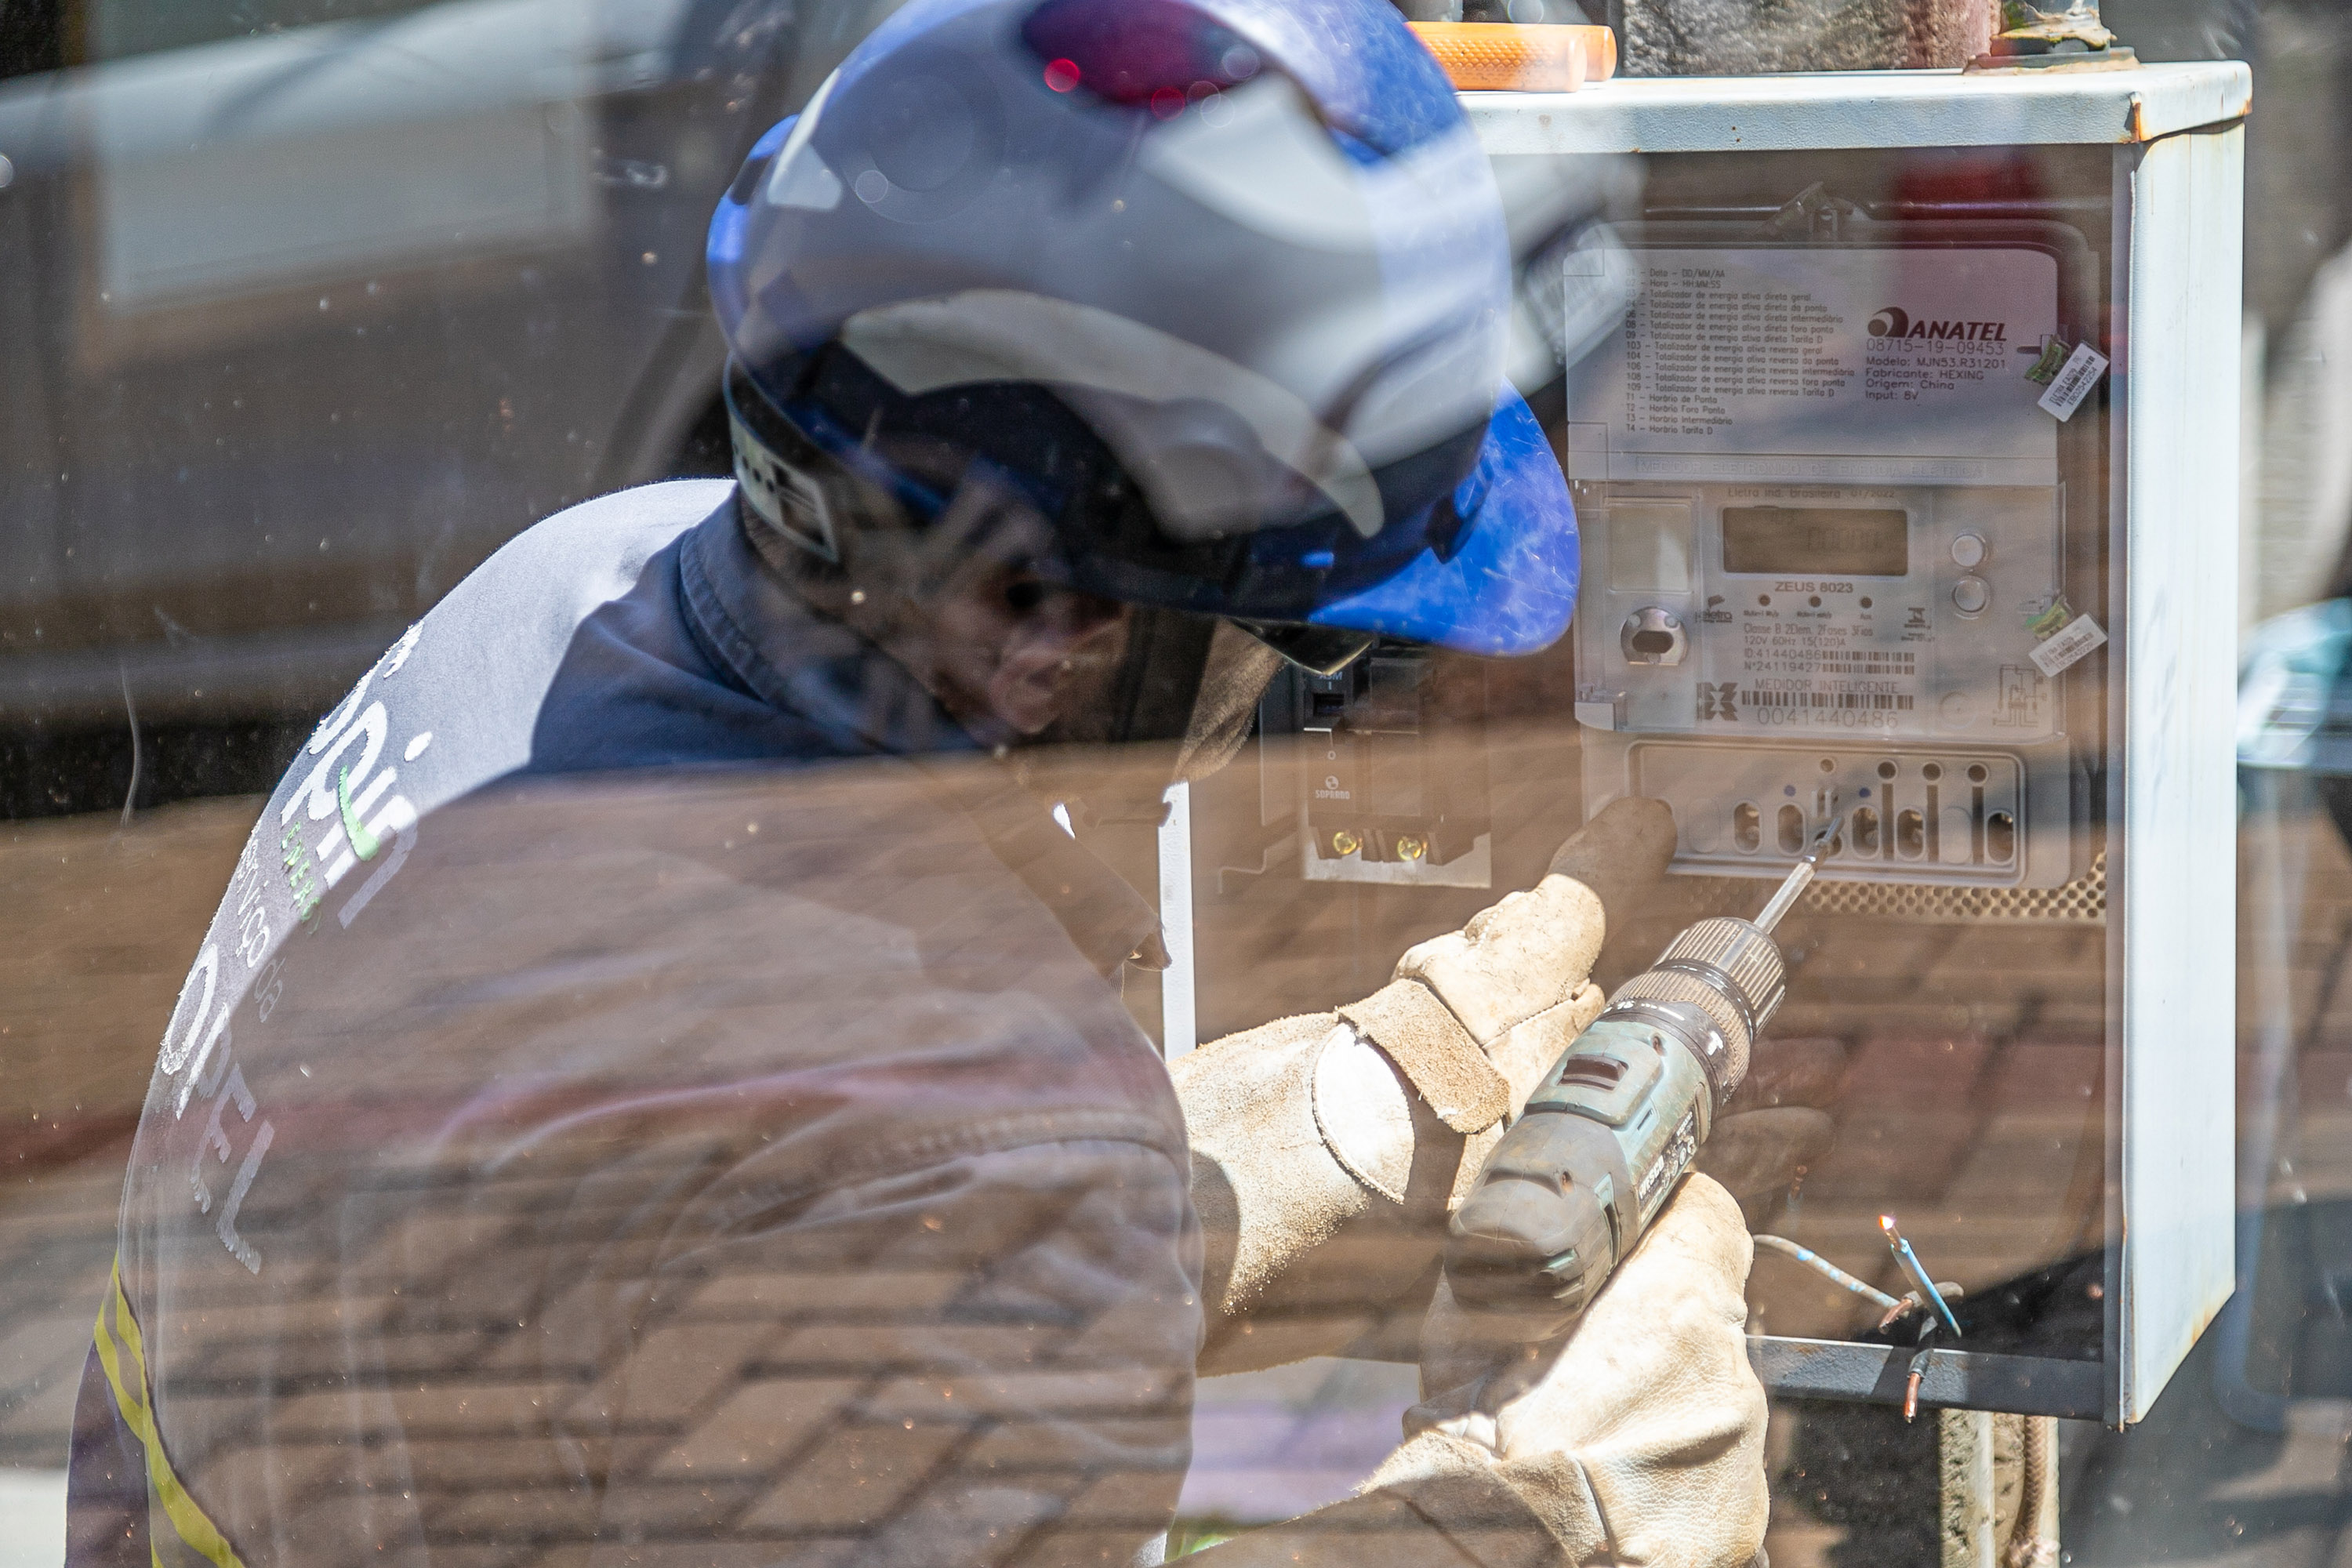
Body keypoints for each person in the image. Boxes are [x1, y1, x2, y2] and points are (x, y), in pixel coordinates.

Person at [67, 1, 1813, 1563]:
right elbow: (865, 1165)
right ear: (1039, 633)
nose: (1298, 698)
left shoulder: (565, 594)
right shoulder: (964, 1131)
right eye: (1309, 643)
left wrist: (1325, 1122)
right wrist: (1536, 1523)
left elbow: (661, 1224)